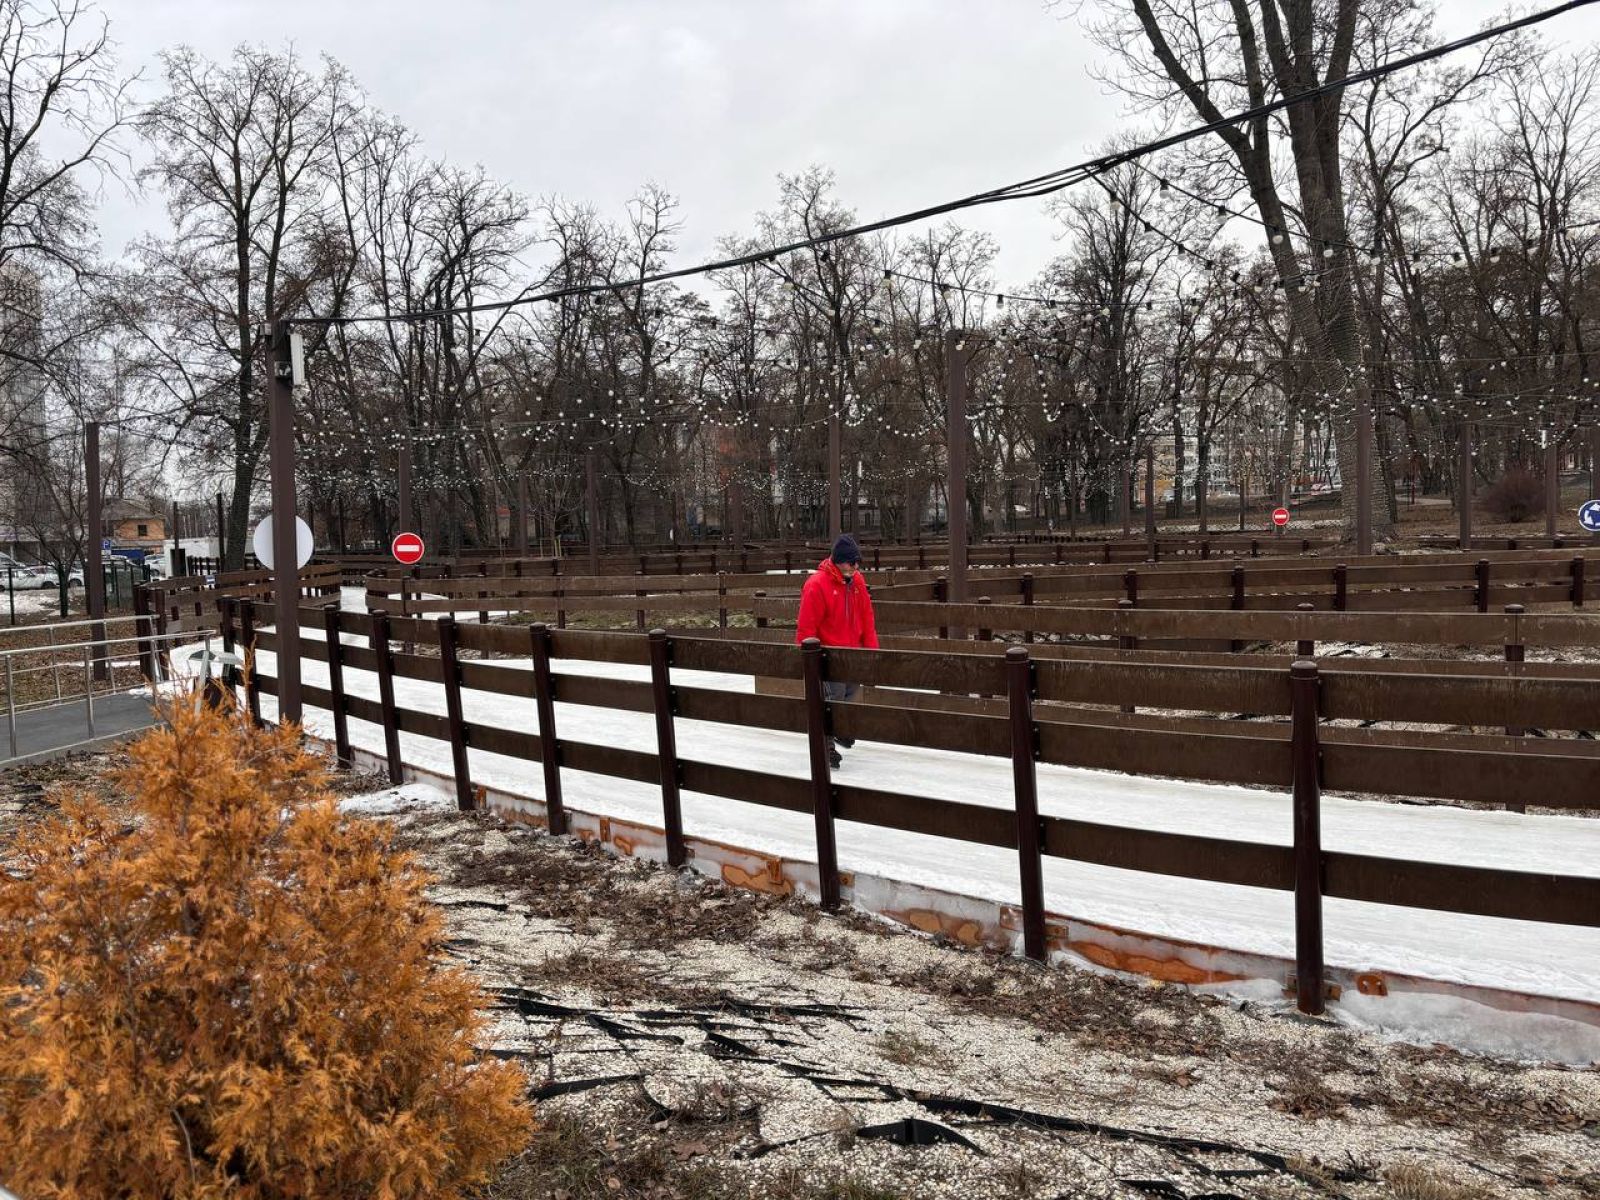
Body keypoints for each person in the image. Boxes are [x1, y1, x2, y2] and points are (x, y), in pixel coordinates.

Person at [795, 534, 879, 769]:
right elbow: (806, 625)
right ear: (839, 561)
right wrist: (808, 660)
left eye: (857, 563)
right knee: (832, 698)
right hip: (828, 654)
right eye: (851, 562)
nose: (856, 567)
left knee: (851, 691)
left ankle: (840, 730)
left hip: (853, 652)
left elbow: (867, 617)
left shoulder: (858, 582)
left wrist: (871, 653)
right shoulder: (817, 585)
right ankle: (826, 746)